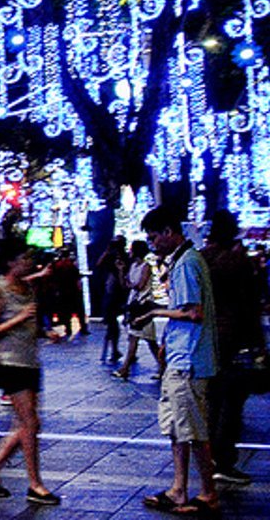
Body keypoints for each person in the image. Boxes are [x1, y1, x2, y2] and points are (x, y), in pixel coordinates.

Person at [139, 207, 220, 515]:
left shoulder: (186, 263)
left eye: (154, 237)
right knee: (178, 428)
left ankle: (208, 493)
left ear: (169, 232)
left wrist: (156, 313)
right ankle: (178, 489)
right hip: (180, 356)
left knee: (194, 430)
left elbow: (194, 312)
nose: (152, 244)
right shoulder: (186, 260)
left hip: (189, 360)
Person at [0, 241, 60, 506]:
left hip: (31, 360)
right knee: (30, 423)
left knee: (25, 424)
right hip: (10, 363)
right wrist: (18, 318)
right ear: (11, 262)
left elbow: (31, 323)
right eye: (24, 258)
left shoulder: (27, 287)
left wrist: (45, 332)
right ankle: (35, 484)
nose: (29, 262)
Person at [205, 209, 263, 487]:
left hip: (207, 339)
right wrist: (258, 343)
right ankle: (225, 460)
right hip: (234, 339)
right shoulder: (238, 261)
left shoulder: (202, 259)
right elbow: (249, 305)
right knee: (232, 401)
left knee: (213, 400)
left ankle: (212, 459)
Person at [117, 240, 167, 381]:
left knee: (141, 339)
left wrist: (130, 283)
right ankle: (161, 367)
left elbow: (139, 285)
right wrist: (121, 271)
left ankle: (125, 368)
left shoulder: (146, 267)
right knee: (144, 340)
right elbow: (126, 285)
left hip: (143, 306)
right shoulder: (133, 266)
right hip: (134, 304)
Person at [97, 240, 130, 367]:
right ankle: (115, 349)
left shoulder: (125, 258)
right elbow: (99, 264)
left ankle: (118, 350)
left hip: (118, 292)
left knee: (119, 324)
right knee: (112, 324)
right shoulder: (111, 256)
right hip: (113, 292)